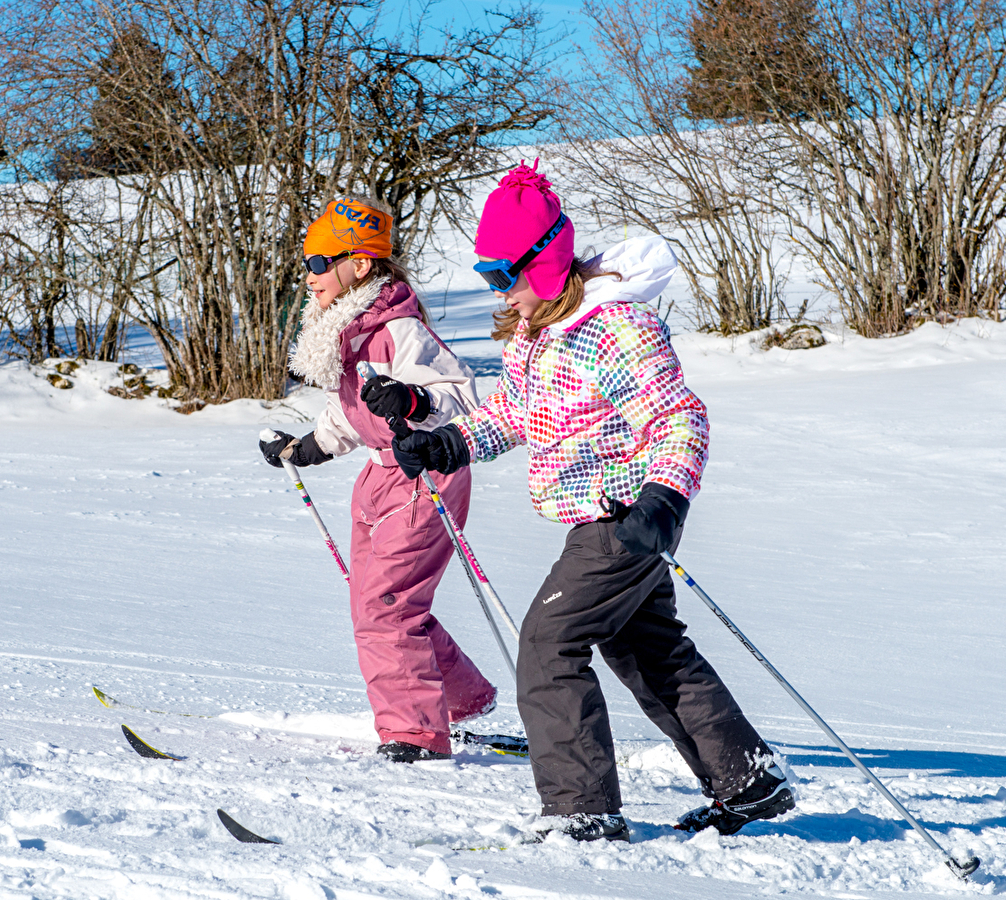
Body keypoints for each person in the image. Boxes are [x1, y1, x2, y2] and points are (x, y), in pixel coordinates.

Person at [387, 163, 794, 840]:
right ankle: (747, 781)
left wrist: (664, 498)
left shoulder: (614, 329)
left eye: (502, 274)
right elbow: (516, 414)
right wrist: (448, 444)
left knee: (549, 642)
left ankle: (582, 810)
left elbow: (677, 418)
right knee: (648, 649)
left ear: (543, 262)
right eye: (487, 275)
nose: (499, 291)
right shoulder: (537, 333)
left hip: (624, 518)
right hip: (596, 516)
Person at [259, 196, 497, 763]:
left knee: (384, 606)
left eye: (319, 262)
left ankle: (414, 735)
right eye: (307, 261)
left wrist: (413, 396)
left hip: (425, 474)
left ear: (358, 265)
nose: (309, 274)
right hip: (379, 479)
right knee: (382, 603)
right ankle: (459, 701)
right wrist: (311, 446)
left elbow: (462, 399)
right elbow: (355, 409)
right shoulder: (353, 329)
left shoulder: (399, 329)